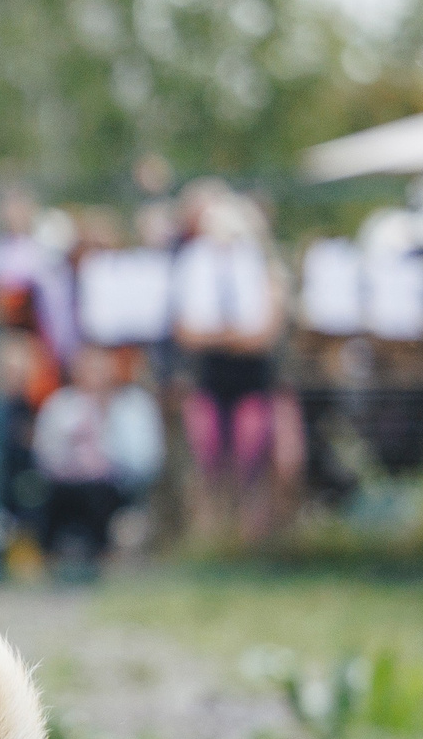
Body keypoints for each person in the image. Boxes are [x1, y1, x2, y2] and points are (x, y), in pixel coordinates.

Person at [172, 189, 289, 542]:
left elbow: (262, 335)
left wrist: (219, 335)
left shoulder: (261, 266)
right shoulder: (194, 266)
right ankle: (210, 538)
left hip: (252, 380)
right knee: (207, 458)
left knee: (251, 458)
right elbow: (187, 332)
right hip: (210, 380)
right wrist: (232, 336)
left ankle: (248, 538)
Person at [32, 345, 162, 572]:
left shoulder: (133, 406)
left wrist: (108, 430)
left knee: (98, 496)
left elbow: (146, 461)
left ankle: (104, 560)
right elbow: (44, 456)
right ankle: (49, 562)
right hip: (66, 487)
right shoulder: (60, 405)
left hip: (117, 487)